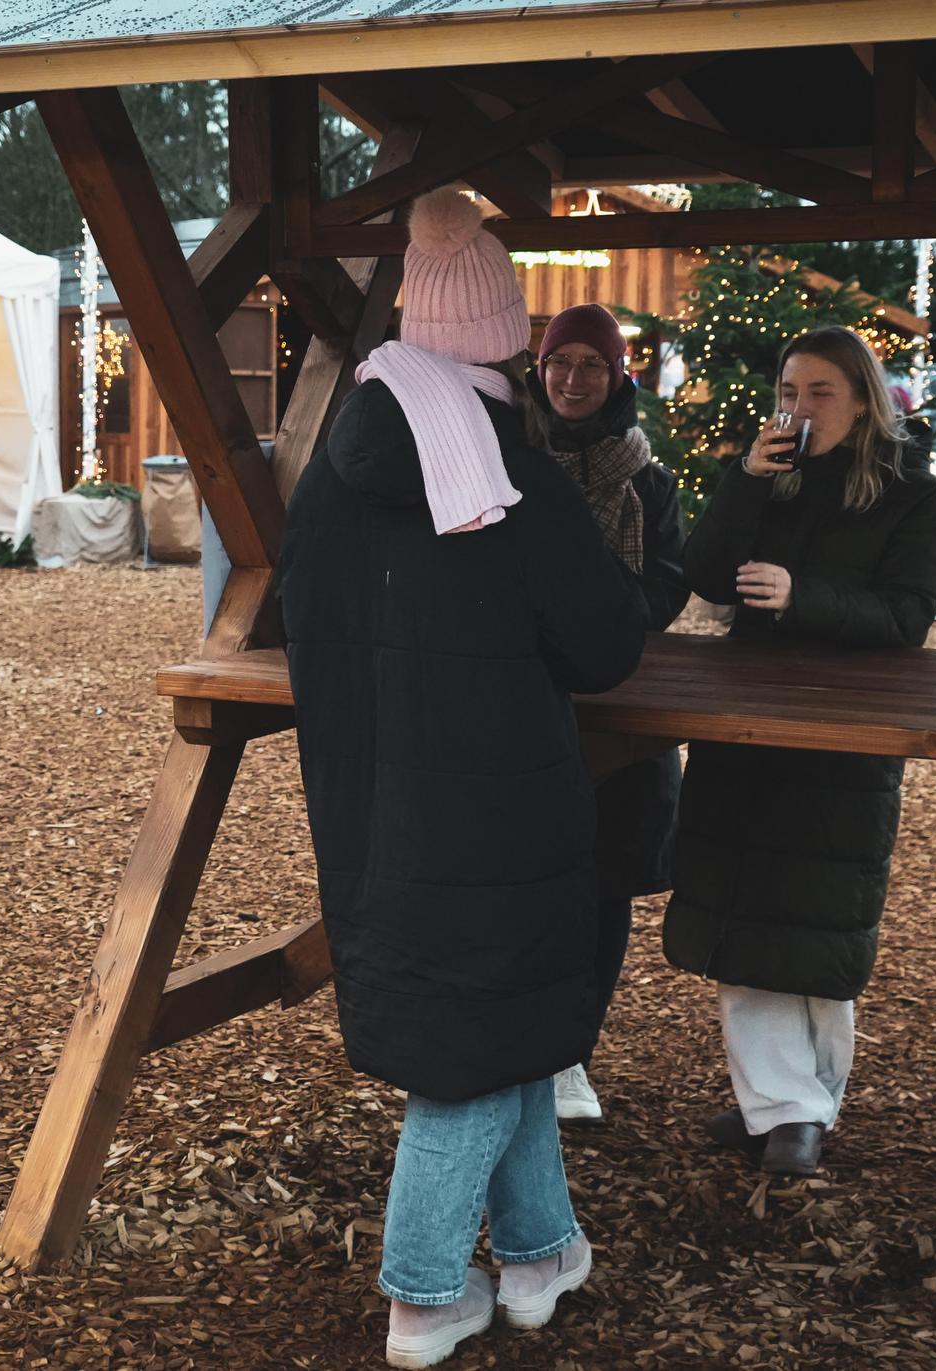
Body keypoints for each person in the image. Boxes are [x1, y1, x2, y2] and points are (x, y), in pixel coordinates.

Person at [278, 188, 647, 1368]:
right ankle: (425, 1291)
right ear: (505, 343)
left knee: (503, 1024)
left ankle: (540, 1251)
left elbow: (299, 623)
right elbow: (607, 646)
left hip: (371, 809)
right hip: (499, 816)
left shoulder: (331, 471)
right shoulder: (507, 476)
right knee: (469, 1058)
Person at [664, 326, 936, 1178]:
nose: (799, 408)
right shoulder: (769, 479)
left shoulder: (915, 496)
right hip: (747, 723)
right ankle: (776, 1102)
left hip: (844, 732)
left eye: (820, 392)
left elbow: (906, 616)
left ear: (864, 400)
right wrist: (744, 482)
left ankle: (805, 1104)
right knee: (742, 910)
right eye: (789, 391)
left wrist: (803, 596)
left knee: (818, 918)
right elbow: (704, 573)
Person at [523, 303, 690, 1123]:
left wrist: (602, 619)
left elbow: (668, 584)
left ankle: (571, 1057)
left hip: (621, 701)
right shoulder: (508, 459)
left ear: (619, 375)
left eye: (593, 363)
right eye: (561, 361)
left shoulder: (648, 481)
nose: (574, 378)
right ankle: (522, 1047)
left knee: (603, 883)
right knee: (522, 876)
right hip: (524, 697)